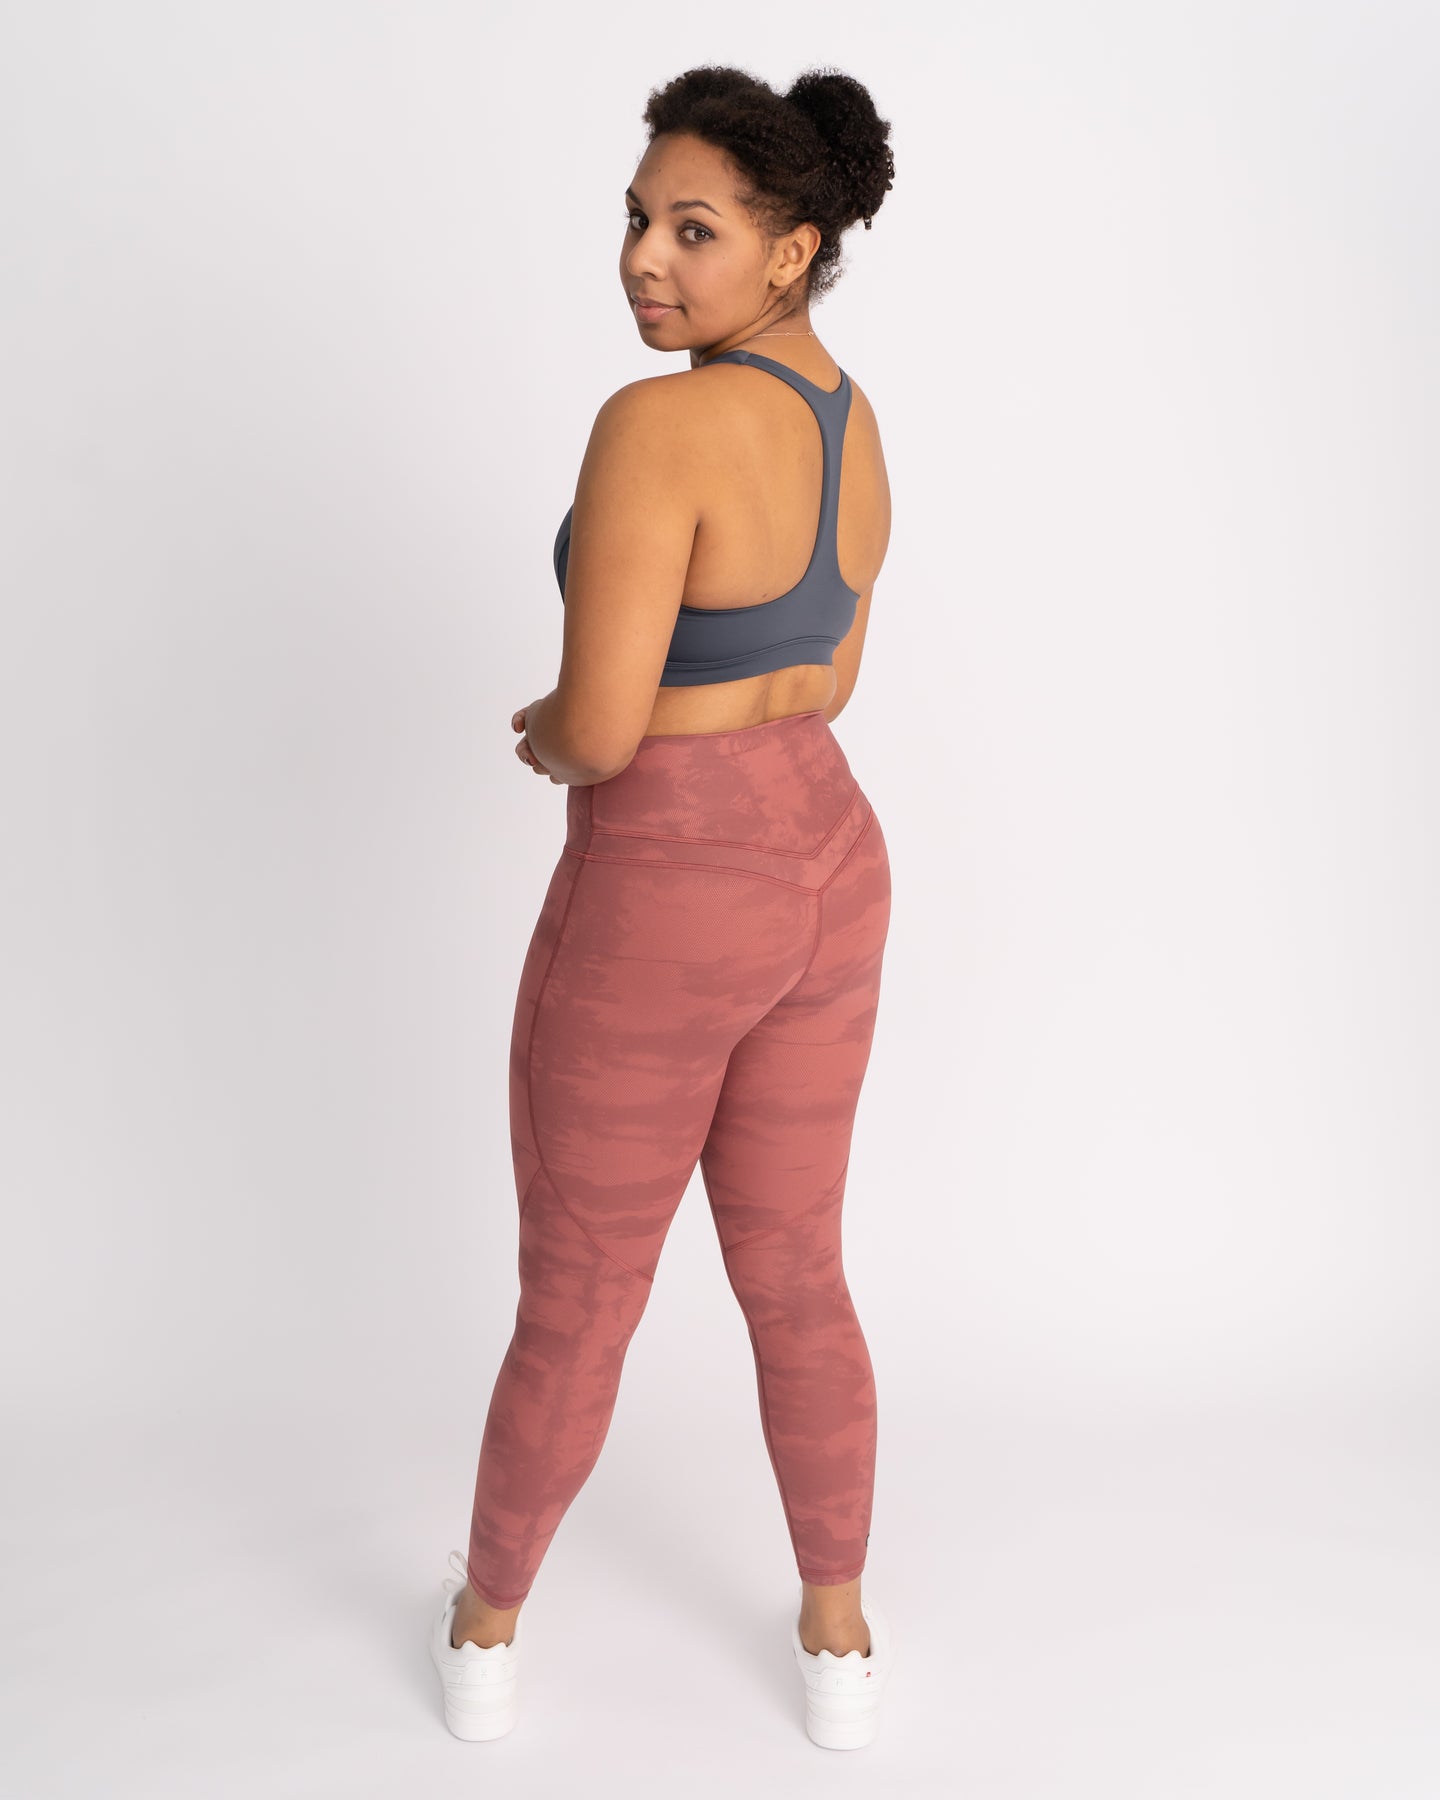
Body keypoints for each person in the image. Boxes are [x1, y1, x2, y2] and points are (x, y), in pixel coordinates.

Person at [430, 62, 898, 1750]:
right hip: (833, 868)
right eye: (637, 218)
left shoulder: (658, 424)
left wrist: (551, 732)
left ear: (792, 249)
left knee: (581, 1287)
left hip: (666, 893)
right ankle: (838, 1640)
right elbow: (828, 677)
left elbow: (606, 727)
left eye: (695, 230)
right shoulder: (850, 420)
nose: (643, 257)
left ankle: (486, 1633)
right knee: (798, 1271)